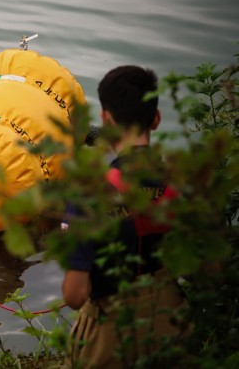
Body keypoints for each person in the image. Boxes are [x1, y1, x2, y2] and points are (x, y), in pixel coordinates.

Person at [61, 66, 186, 368]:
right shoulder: (183, 184)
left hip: (108, 330)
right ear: (155, 119)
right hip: (170, 318)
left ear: (106, 120)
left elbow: (75, 296)